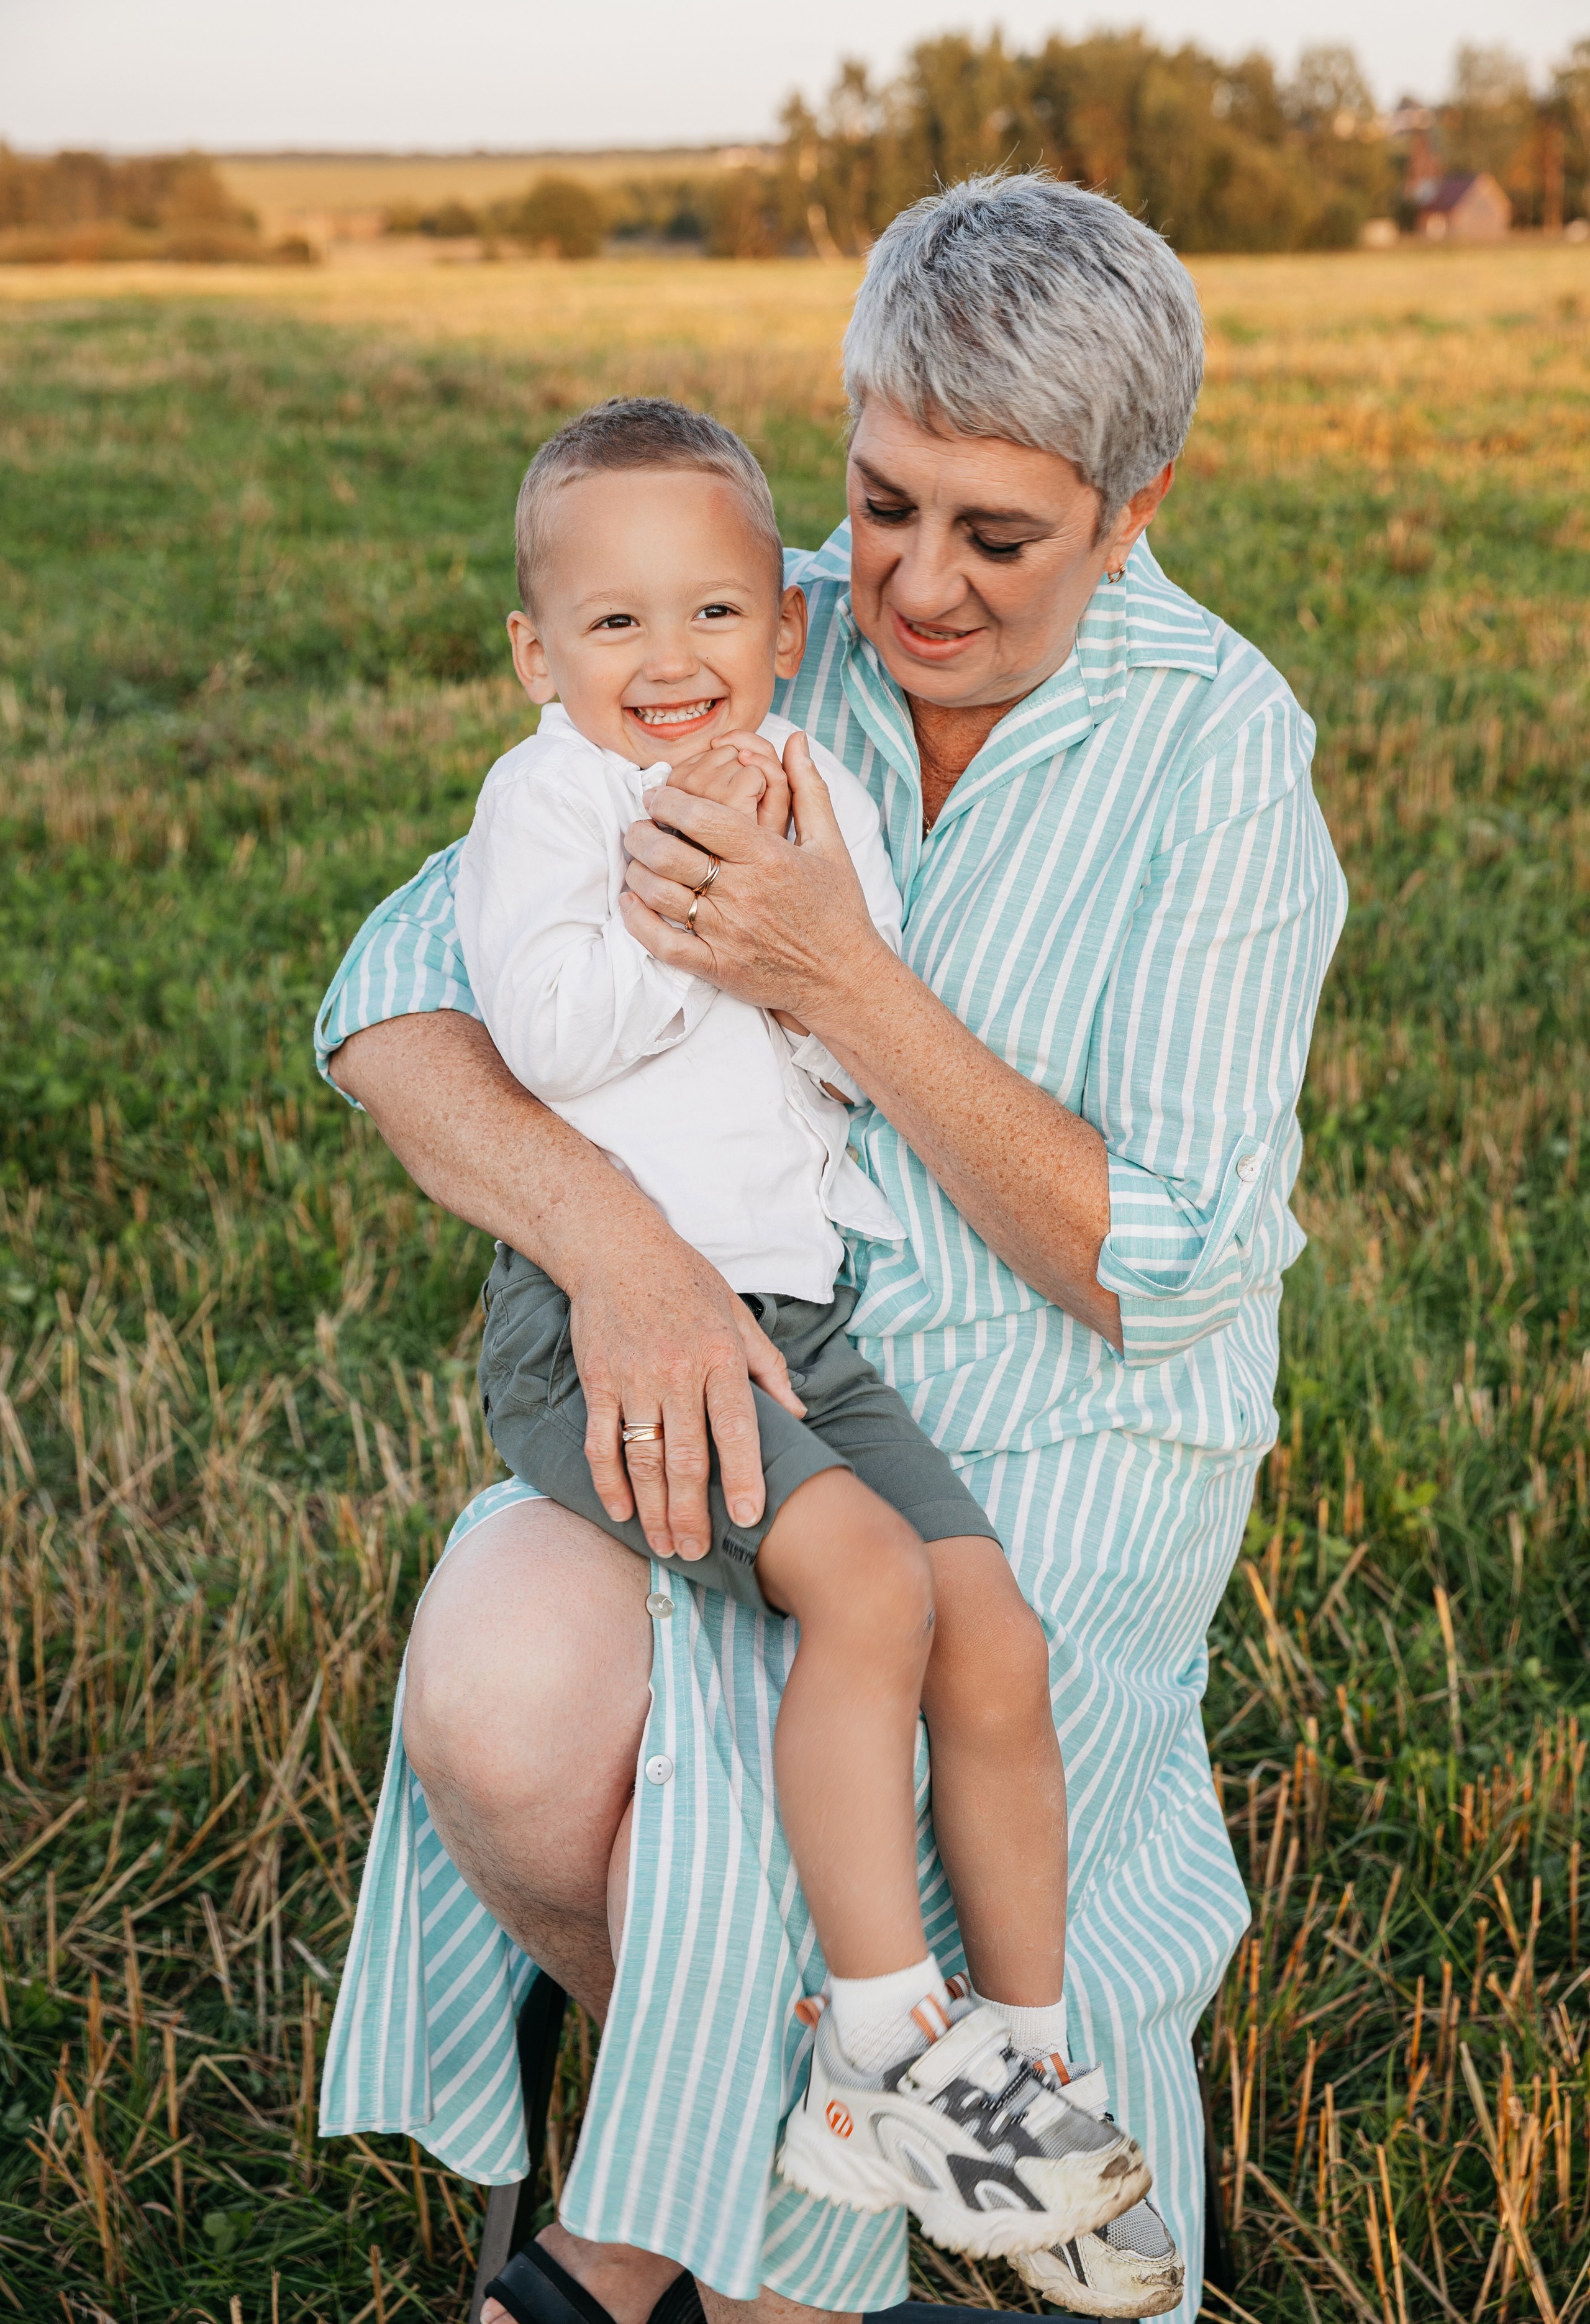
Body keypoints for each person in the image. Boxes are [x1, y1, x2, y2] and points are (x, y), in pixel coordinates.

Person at [317, 173, 1346, 2324]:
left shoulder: (1225, 760)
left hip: (1067, 1417)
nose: (916, 588)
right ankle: (808, 2152)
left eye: (1002, 536)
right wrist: (622, 1249)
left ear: (1134, 509)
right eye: (885, 502)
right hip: (743, 1346)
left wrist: (844, 978)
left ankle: (696, 2250)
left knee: (862, 1749)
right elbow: (391, 1003)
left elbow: (1158, 1263)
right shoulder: (740, 636)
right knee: (504, 1700)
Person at [457, 392, 1148, 2260]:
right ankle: (876, 2047)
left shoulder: (794, 776)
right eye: (613, 626)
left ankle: (1022, 2061)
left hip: (801, 1322)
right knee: (869, 1586)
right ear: (540, 652)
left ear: (780, 623)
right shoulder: (556, 800)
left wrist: (800, 924)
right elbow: (546, 1035)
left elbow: (848, 1013)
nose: (668, 663)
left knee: (988, 1629)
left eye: (710, 617)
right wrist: (697, 910)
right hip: (603, 1327)